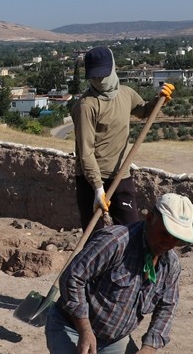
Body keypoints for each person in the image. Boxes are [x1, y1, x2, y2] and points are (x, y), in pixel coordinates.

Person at [46, 192, 193, 354]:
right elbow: (72, 277)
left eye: (177, 239)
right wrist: (85, 330)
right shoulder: (115, 242)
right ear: (150, 218)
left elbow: (167, 307)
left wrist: (148, 350)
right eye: (165, 234)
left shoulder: (170, 264)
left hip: (113, 337)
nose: (169, 244)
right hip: (73, 326)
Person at [71, 46, 174, 230]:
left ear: (112, 68)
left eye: (102, 74)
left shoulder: (125, 93)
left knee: (130, 230)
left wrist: (159, 100)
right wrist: (97, 188)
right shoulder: (86, 106)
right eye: (94, 76)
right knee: (95, 238)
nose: (98, 80)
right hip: (91, 180)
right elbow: (86, 152)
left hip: (120, 174)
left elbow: (143, 111)